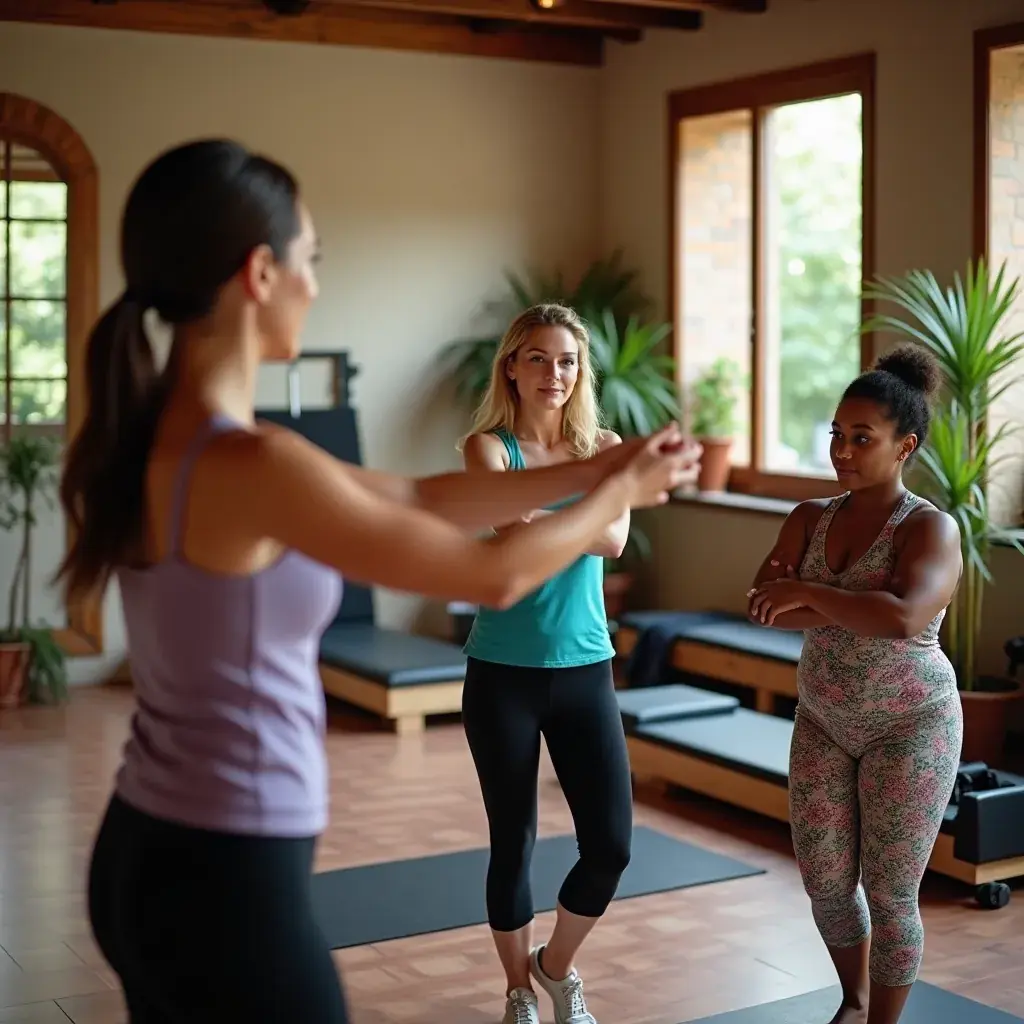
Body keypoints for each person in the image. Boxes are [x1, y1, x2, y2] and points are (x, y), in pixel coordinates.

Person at [55, 140, 701, 1024]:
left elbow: (421, 493)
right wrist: (620, 488)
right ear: (258, 272)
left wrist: (601, 466)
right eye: (311, 260)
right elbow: (493, 573)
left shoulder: (169, 439)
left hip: (157, 846)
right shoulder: (252, 461)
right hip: (226, 872)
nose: (315, 282)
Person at [459, 304, 690, 1024]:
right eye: (536, 358)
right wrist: (594, 503)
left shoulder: (607, 445)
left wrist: (573, 513)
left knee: (612, 846)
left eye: (565, 361)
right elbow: (522, 528)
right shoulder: (488, 449)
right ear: (511, 367)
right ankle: (517, 994)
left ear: (579, 371)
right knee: (513, 844)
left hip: (585, 667)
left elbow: (614, 541)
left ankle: (555, 968)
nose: (552, 374)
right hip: (502, 670)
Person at [746, 345, 964, 1024]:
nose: (842, 449)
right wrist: (845, 604)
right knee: (827, 885)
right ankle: (854, 998)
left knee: (892, 892)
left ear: (906, 445)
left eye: (861, 438)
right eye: (837, 434)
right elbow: (761, 601)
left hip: (913, 723)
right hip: (823, 719)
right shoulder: (810, 516)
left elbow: (902, 619)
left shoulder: (930, 527)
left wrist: (807, 592)